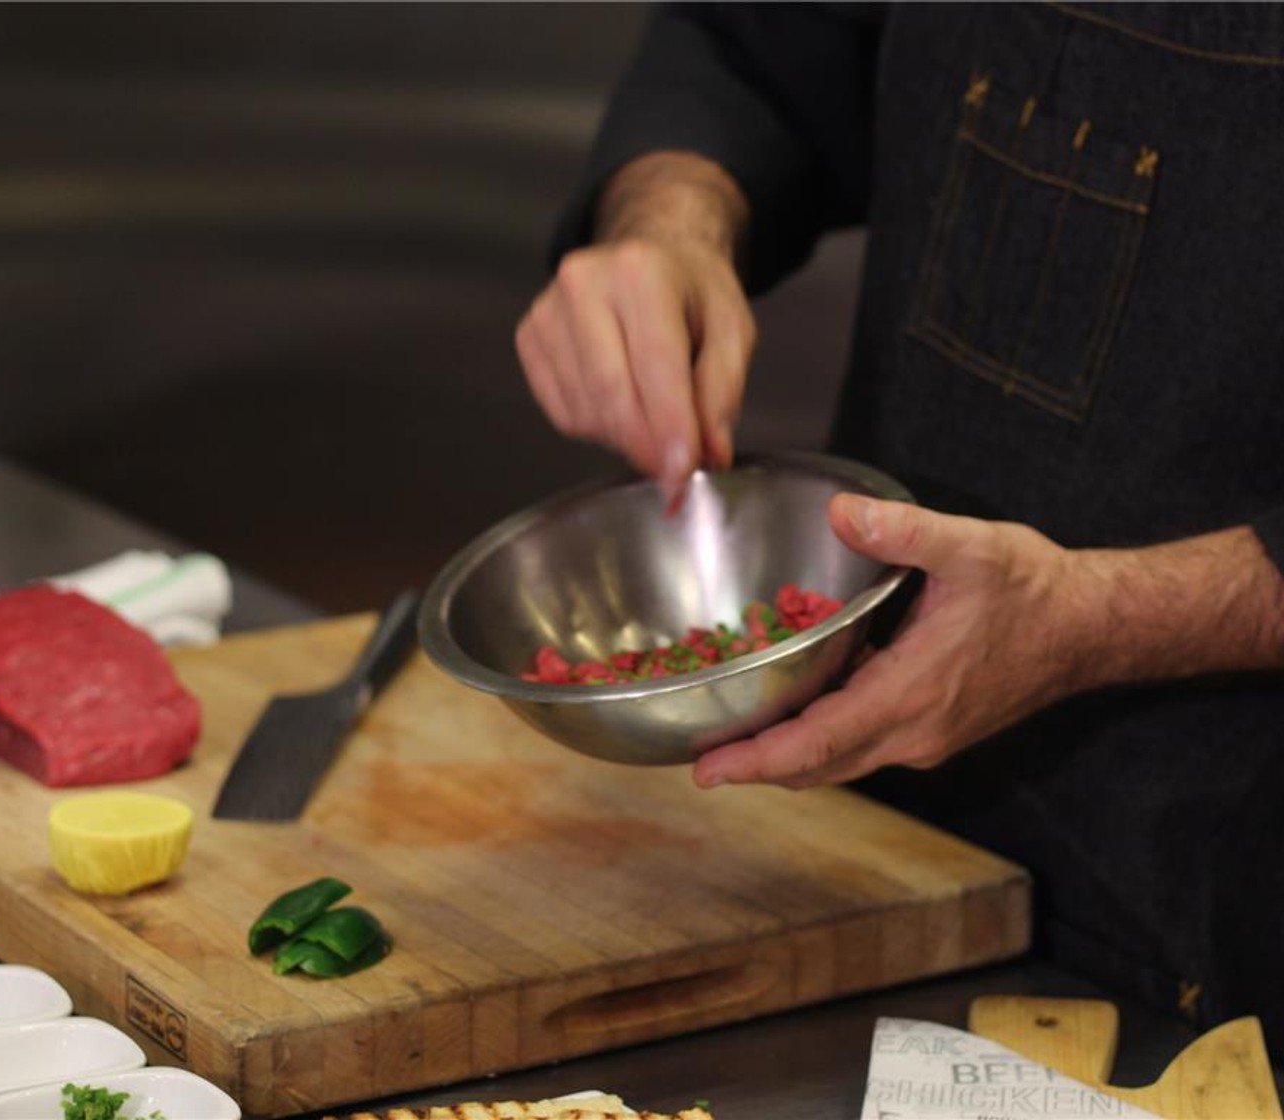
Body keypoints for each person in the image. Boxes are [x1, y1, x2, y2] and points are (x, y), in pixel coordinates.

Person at [514, 3, 1284, 1048]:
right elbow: (757, 46)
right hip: (869, 852)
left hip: (1231, 913)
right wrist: (668, 221)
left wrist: (1103, 615)